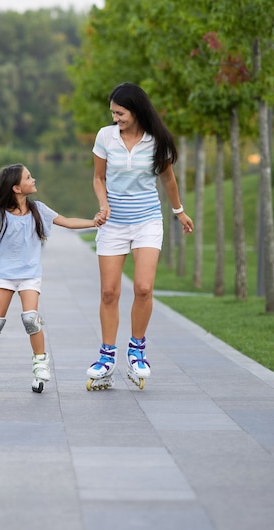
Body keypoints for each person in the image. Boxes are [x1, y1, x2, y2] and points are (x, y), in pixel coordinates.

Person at [86, 82, 194, 390]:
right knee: (109, 292)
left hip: (147, 220)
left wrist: (179, 212)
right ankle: (107, 356)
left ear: (136, 110)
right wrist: (103, 204)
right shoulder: (105, 137)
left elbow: (168, 180)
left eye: (120, 113)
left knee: (144, 288)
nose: (115, 118)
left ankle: (137, 350)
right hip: (113, 223)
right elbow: (98, 177)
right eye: (113, 113)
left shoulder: (157, 140)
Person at [0, 163, 100, 393]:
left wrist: (94, 222)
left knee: (31, 319)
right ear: (16, 188)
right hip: (5, 277)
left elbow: (67, 222)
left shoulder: (39, 209)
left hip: (29, 276)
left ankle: (40, 364)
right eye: (29, 177)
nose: (33, 179)